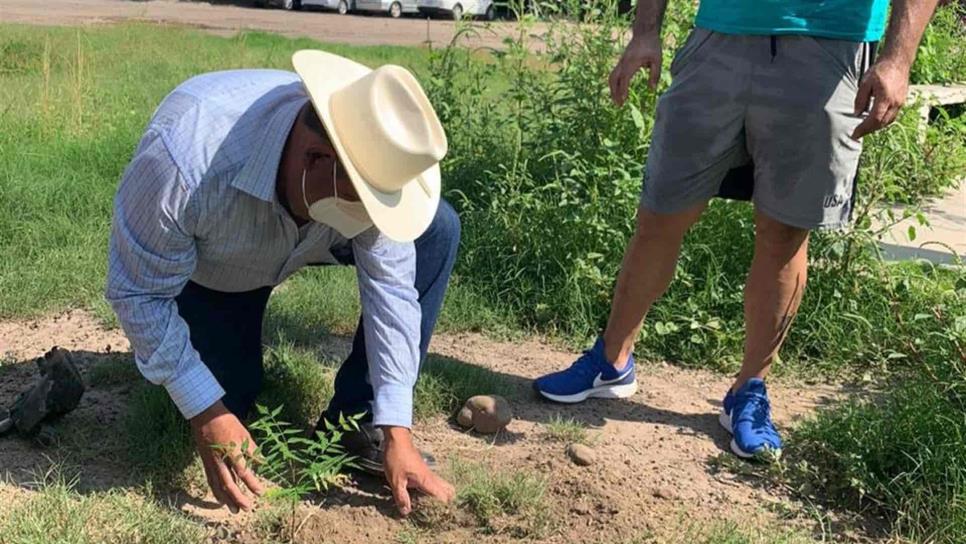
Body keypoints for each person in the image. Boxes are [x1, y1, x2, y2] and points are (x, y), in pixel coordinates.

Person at [533, 0, 940, 458]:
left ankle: (748, 391)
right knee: (660, 213)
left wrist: (897, 59)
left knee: (784, 234)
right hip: (717, 39)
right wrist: (645, 31)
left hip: (831, 48)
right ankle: (610, 362)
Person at [106, 50, 459, 514]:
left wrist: (396, 426)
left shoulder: (367, 162)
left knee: (436, 228)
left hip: (307, 233)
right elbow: (139, 293)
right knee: (227, 397)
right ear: (315, 156)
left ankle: (357, 421)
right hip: (218, 260)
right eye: (362, 204)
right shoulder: (185, 162)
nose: (371, 220)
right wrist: (207, 413)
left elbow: (392, 290)